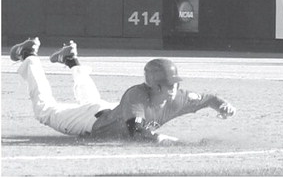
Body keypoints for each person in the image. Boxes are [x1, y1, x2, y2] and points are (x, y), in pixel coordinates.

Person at [10, 37, 236, 142]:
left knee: (92, 99)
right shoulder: (136, 95)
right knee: (45, 111)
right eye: (169, 84)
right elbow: (136, 134)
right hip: (91, 123)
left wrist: (223, 105)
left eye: (176, 83)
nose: (174, 88)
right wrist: (174, 142)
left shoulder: (179, 98)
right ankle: (29, 55)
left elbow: (209, 99)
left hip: (110, 112)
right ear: (154, 85)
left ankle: (71, 60)